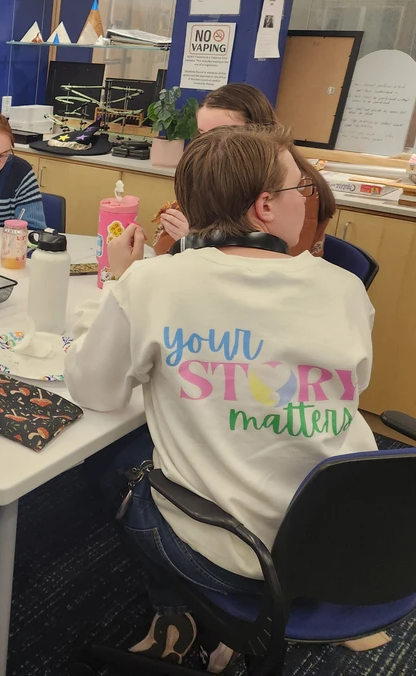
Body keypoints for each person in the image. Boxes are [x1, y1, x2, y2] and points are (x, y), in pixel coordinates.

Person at [66, 124, 378, 665]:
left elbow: (94, 390)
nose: (307, 201)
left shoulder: (155, 283)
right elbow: (353, 389)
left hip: (229, 557)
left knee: (106, 463)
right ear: (264, 207)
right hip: (333, 546)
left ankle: (180, 608)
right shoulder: (345, 290)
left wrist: (122, 284)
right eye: (300, 190)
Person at [154, 83, 335, 257]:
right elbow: (163, 246)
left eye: (225, 134)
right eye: (203, 134)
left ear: (259, 133)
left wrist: (195, 240)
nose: (210, 146)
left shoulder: (297, 189)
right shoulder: (210, 174)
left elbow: (281, 265)